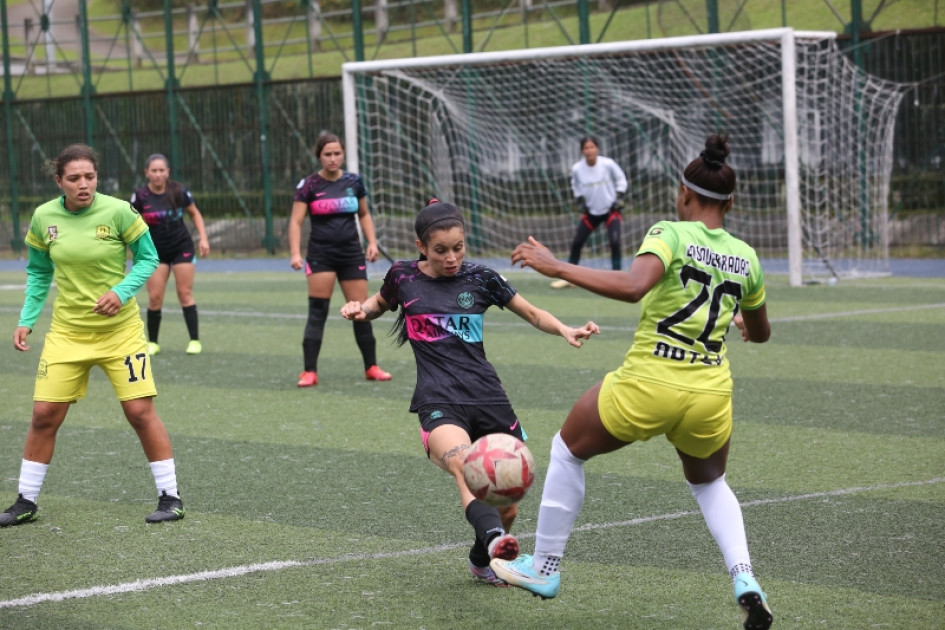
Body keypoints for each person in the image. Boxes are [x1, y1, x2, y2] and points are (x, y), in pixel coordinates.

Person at [491, 134, 774, 630]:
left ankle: (545, 568)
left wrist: (557, 265)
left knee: (566, 450)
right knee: (710, 484)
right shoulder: (747, 257)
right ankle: (745, 578)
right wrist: (744, 324)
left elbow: (634, 285)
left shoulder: (670, 232)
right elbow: (762, 331)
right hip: (711, 393)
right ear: (731, 202)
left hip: (649, 383)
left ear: (684, 195)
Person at [340, 200, 599, 586]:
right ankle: (495, 540)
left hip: (489, 398)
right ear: (421, 247)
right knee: (466, 464)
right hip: (439, 399)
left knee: (507, 503)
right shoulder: (402, 278)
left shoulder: (481, 279)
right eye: (441, 250)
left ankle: (481, 560)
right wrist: (360, 309)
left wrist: (564, 328)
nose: (451, 258)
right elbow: (379, 304)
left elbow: (531, 312)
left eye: (458, 248)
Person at [1, 143, 185, 528]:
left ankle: (171, 497)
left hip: (121, 333)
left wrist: (120, 293)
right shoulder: (43, 217)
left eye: (89, 177)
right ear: (59, 181)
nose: (83, 185)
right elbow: (38, 271)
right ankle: (26, 501)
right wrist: (27, 318)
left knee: (139, 411)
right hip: (67, 333)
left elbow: (148, 257)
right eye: (74, 178)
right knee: (43, 415)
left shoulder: (119, 211)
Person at [288, 132, 392, 387]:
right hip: (321, 255)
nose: (333, 158)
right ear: (319, 156)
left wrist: (372, 242)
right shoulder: (309, 185)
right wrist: (294, 253)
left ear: (342, 154)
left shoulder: (354, 182)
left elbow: (364, 214)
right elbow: (296, 221)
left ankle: (372, 367)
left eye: (337, 153)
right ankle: (309, 371)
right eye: (327, 154)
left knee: (361, 310)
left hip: (350, 254)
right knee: (318, 312)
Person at [130, 153, 210, 356]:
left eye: (161, 170)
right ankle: (153, 342)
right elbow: (131, 223)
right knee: (155, 297)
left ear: (168, 172)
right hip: (154, 251)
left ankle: (194, 340)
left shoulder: (178, 191)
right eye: (154, 171)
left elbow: (195, 214)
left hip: (181, 246)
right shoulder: (140, 196)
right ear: (147, 173)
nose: (158, 174)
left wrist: (203, 238)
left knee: (185, 293)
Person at [550, 136, 629, 289]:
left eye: (592, 147)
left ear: (597, 149)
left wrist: (619, 197)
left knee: (614, 242)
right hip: (591, 212)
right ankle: (569, 278)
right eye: (586, 148)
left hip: (610, 211)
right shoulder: (577, 169)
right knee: (577, 242)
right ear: (582, 151)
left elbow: (621, 180)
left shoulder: (608, 164)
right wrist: (580, 201)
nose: (589, 150)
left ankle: (618, 277)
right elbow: (576, 187)